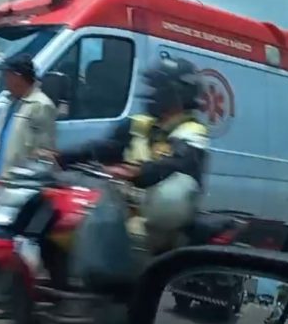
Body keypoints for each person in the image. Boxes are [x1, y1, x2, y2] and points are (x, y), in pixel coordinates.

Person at [59, 56, 209, 255]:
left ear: (176, 94)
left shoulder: (191, 131)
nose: (151, 94)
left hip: (158, 220)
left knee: (128, 236)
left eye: (157, 88)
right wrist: (63, 156)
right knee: (74, 218)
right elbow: (105, 147)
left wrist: (137, 171)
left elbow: (182, 161)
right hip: (123, 207)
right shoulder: (140, 124)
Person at [0, 54, 57, 205]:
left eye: (6, 75)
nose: (4, 80)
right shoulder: (10, 103)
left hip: (19, 187)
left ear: (17, 77)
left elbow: (44, 152)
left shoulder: (40, 105)